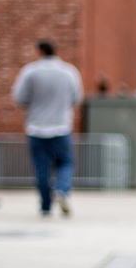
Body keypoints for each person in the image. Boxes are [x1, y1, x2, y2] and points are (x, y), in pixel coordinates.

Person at [12, 40, 83, 216]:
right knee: (66, 162)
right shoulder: (69, 72)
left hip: (36, 128)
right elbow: (77, 98)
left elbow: (19, 97)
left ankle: (45, 205)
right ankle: (62, 190)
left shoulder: (30, 72)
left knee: (41, 168)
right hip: (61, 127)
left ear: (40, 51)